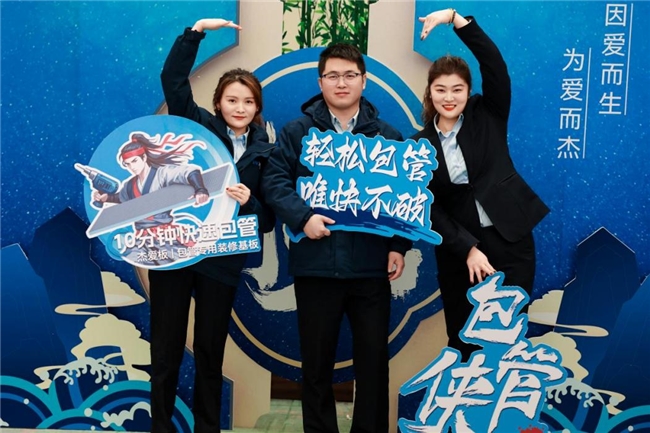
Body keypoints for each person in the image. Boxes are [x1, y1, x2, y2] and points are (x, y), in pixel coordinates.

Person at [261, 43, 412, 433]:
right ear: (320, 82)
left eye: (349, 75)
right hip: (316, 267)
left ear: (363, 80)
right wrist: (303, 217)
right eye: (332, 75)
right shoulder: (298, 132)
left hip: (370, 269)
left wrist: (398, 246)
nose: (341, 83)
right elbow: (275, 182)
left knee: (373, 365)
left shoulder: (387, 136)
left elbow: (404, 197)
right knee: (316, 365)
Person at [150, 18, 275, 433]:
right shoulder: (197, 127)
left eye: (248, 101)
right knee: (165, 349)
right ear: (218, 103)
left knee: (209, 351)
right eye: (232, 99)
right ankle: (161, 427)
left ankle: (208, 427)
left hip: (221, 259)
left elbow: (268, 220)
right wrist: (195, 32)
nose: (240, 108)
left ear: (257, 108)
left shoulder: (265, 151)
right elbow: (172, 81)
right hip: (176, 252)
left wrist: (249, 201)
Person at [413, 9, 550, 361]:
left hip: (511, 241)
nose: (449, 97)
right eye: (440, 89)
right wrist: (468, 249)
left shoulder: (487, 115)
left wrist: (455, 18)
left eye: (457, 89)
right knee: (465, 343)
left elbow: (495, 65)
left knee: (508, 341)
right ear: (430, 92)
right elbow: (429, 206)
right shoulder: (419, 146)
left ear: (468, 91)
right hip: (461, 252)